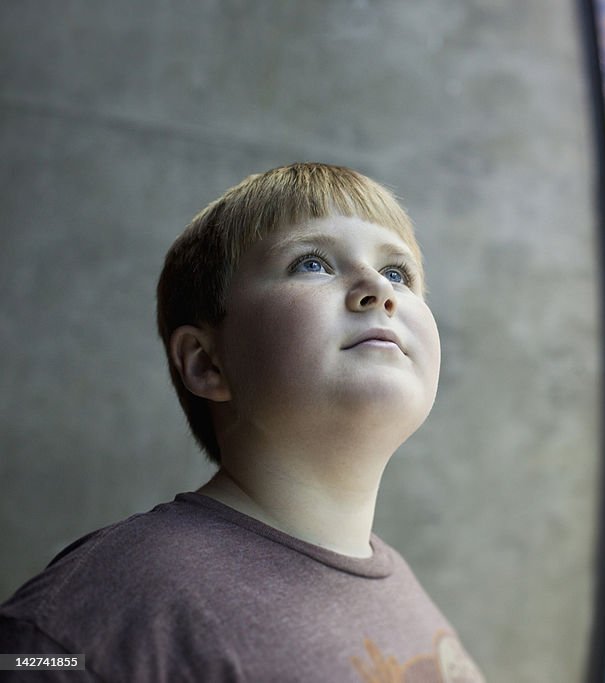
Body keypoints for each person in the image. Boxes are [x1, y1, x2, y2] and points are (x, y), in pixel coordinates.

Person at [0, 163, 485, 682]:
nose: (377, 289)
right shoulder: (94, 614)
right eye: (312, 263)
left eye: (398, 274)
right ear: (208, 363)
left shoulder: (404, 594)